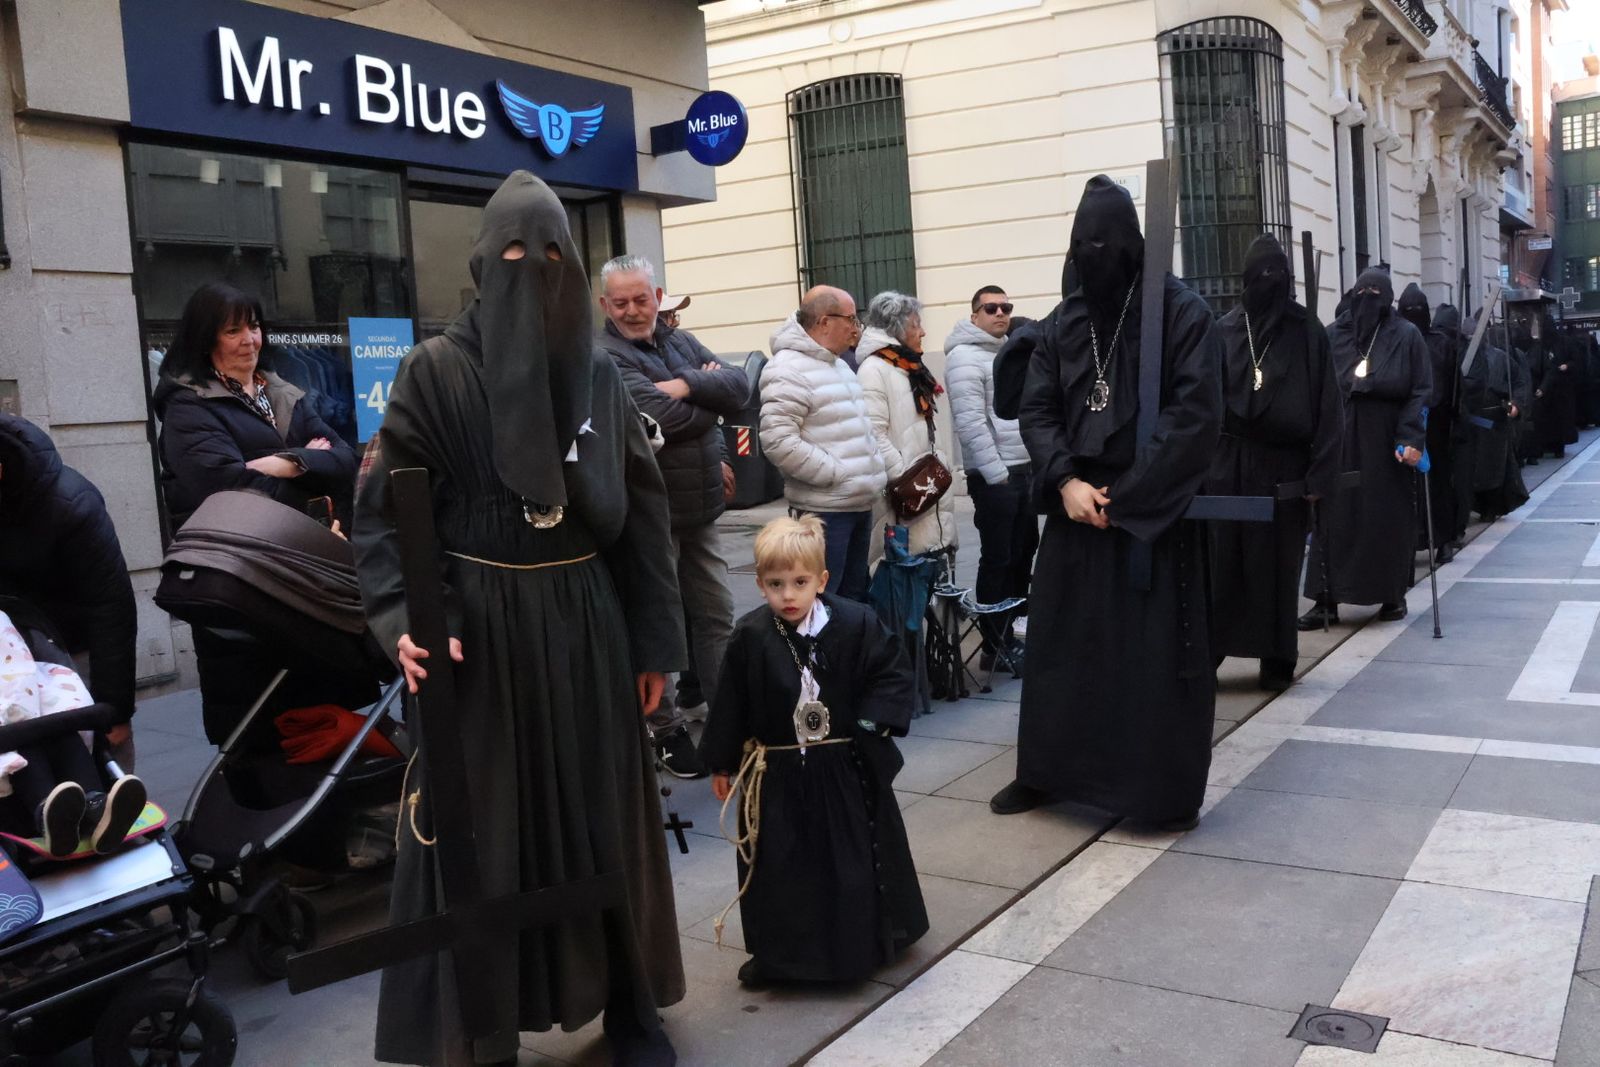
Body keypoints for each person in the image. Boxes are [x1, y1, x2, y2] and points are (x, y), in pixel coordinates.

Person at [353, 171, 686, 1067]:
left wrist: (656, 642)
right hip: (483, 634)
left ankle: (631, 999)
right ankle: (480, 1023)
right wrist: (405, 619)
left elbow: (644, 517)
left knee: (605, 813)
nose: (531, 271)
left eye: (550, 257)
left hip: (587, 619)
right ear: (477, 265)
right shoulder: (434, 370)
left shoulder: (602, 377)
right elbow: (383, 512)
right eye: (510, 255)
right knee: (484, 831)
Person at [989, 175, 1223, 827]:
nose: (1094, 253)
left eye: (1104, 241)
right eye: (1082, 242)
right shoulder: (1064, 323)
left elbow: (1195, 414)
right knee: (1062, 654)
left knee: (1148, 663)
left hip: (1152, 516)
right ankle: (1047, 773)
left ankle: (1151, 791)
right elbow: (1036, 409)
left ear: (1131, 243)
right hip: (1074, 509)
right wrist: (1064, 480)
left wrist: (1130, 495)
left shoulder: (1183, 313)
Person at [699, 515, 926, 987]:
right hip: (777, 773)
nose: (788, 595)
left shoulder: (855, 622)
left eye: (800, 582)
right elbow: (731, 701)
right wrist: (722, 760)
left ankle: (853, 950)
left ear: (821, 580)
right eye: (776, 584)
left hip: (843, 767)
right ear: (759, 584)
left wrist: (868, 722)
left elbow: (890, 674)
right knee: (779, 867)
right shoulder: (751, 635)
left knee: (848, 863)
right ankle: (780, 956)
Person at [596, 255, 748, 779]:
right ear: (604, 305)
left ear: (658, 296)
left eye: (643, 299)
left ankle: (732, 724)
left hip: (700, 507)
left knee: (715, 618)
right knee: (654, 624)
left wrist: (685, 388)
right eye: (622, 302)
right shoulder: (603, 356)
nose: (635, 311)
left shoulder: (677, 341)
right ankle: (664, 731)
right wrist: (706, 393)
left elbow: (740, 388)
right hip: (648, 516)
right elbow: (653, 420)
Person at [1207, 235, 1342, 691]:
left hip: (1285, 469)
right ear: (1246, 280)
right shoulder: (1224, 330)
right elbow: (1202, 405)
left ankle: (1277, 656)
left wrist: (1320, 474)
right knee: (1224, 564)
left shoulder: (1307, 331)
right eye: (1261, 274)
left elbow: (1328, 407)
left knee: (1278, 568)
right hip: (1228, 467)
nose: (1270, 281)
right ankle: (1214, 648)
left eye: (1277, 274)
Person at [153, 282, 357, 529]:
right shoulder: (188, 407)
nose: (248, 340)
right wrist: (315, 471)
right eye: (233, 331)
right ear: (205, 339)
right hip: (236, 557)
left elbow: (346, 461)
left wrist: (289, 463)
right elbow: (232, 492)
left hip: (299, 546)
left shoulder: (281, 392)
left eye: (254, 327)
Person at [0, 415, 139, 766]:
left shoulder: (70, 502)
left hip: (74, 653)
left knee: (102, 763)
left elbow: (111, 605)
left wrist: (114, 709)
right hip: (10, 656)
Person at [1300, 269, 1431, 626]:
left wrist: (1409, 438)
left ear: (1387, 298)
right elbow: (1315, 390)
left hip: (1386, 441)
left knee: (1384, 518)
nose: (1368, 296)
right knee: (1333, 519)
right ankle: (1326, 599)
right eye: (1362, 290)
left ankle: (1391, 595)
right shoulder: (1332, 335)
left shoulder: (1406, 336)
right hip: (1339, 437)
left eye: (1376, 291)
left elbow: (1419, 389)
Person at [856, 291, 959, 715]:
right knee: (897, 609)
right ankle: (897, 690)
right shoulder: (876, 370)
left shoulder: (909, 366)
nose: (922, 331)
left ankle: (925, 679)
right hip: (905, 505)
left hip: (930, 503)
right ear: (900, 327)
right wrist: (906, 479)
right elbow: (874, 433)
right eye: (917, 324)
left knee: (924, 602)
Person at [760, 287, 888, 602]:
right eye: (850, 318)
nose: (856, 327)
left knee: (853, 598)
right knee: (822, 599)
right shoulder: (787, 368)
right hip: (825, 511)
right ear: (824, 322)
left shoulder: (838, 365)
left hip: (857, 504)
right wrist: (835, 474)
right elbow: (778, 440)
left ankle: (848, 653)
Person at [0, 608, 147, 857]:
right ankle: (50, 816)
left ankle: (97, 806)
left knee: (62, 727)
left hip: (32, 702)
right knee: (23, 747)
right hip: (14, 739)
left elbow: (16, 660)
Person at [948, 286, 1037, 667]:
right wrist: (997, 474)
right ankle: (992, 646)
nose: (1000, 313)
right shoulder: (965, 358)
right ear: (975, 316)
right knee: (998, 559)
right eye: (990, 308)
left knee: (1023, 552)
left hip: (1023, 471)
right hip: (996, 478)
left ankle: (1012, 633)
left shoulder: (1008, 351)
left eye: (1006, 307)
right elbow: (970, 424)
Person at [1398, 285, 1459, 564]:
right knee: (1405, 489)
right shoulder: (1396, 340)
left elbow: (1454, 385)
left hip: (1436, 423)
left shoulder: (1441, 343)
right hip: (1406, 422)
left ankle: (1443, 539)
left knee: (1437, 485)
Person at [1533, 313, 1581, 460]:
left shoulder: (1563, 342)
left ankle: (1556, 446)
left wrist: (1566, 366)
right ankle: (1550, 446)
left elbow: (1575, 361)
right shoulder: (1542, 344)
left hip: (1560, 388)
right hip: (1550, 390)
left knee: (1557, 420)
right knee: (1549, 420)